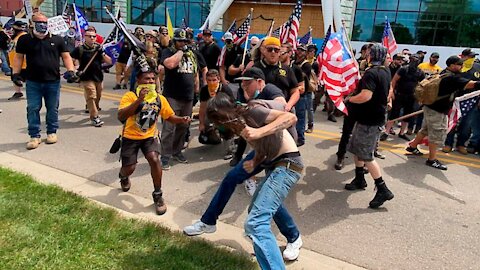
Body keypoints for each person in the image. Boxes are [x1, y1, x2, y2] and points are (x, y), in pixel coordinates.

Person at [183, 68, 303, 262]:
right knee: (235, 180)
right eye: (217, 122)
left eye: (221, 119)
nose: (221, 125)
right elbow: (262, 146)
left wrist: (260, 132)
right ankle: (208, 222)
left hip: (286, 161)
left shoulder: (253, 109)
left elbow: (290, 117)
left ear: (228, 110)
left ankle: (292, 238)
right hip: (267, 157)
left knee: (258, 218)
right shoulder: (237, 124)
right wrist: (255, 160)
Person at [117, 69, 191, 215]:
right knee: (130, 168)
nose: (150, 82)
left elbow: (169, 116)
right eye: (146, 79)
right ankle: (123, 175)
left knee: (154, 159)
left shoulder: (159, 99)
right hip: (130, 137)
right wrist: (139, 100)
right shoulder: (130, 96)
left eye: (152, 79)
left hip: (149, 137)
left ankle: (158, 194)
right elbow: (121, 116)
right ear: (138, 81)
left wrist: (182, 119)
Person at [11, 12, 76, 150]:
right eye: (39, 22)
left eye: (45, 22)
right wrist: (16, 74)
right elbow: (18, 58)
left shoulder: (57, 39)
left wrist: (71, 70)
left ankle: (52, 132)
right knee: (33, 108)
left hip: (53, 81)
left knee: (52, 108)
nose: (42, 25)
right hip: (33, 81)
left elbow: (66, 56)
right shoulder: (25, 40)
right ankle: (34, 136)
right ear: (32, 24)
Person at [406, 55, 480, 170]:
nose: (461, 66)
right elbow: (472, 84)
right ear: (452, 65)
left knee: (425, 130)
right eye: (459, 64)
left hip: (431, 107)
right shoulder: (452, 78)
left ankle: (412, 146)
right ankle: (432, 160)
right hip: (437, 110)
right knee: (436, 135)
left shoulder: (443, 73)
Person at [343, 43, 394, 208]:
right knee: (357, 149)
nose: (366, 55)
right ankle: (359, 178)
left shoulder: (371, 73)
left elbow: (365, 96)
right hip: (369, 118)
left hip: (370, 121)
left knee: (366, 155)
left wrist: (349, 99)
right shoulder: (385, 71)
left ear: (370, 55)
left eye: (368, 53)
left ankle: (382, 189)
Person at [159, 29, 199, 170]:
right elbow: (170, 64)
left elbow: (195, 72)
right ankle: (165, 156)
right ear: (174, 41)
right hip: (172, 96)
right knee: (169, 128)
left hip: (187, 96)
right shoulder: (168, 52)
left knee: (183, 125)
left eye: (185, 41)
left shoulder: (192, 54)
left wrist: (197, 89)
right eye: (180, 41)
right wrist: (181, 51)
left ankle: (177, 151)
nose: (183, 43)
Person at [70, 28, 112, 127]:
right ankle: (95, 117)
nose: (92, 38)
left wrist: (102, 53)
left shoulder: (99, 48)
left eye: (94, 36)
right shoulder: (80, 49)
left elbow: (109, 62)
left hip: (98, 76)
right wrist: (75, 70)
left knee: (98, 96)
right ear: (85, 37)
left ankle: (92, 107)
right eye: (90, 36)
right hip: (86, 77)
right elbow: (70, 60)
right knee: (91, 95)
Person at [443, 49, 480, 154]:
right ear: (463, 56)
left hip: (471, 101)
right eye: (469, 56)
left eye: (473, 56)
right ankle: (448, 144)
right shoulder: (456, 67)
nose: (471, 58)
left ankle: (461, 144)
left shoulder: (477, 67)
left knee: (466, 124)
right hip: (454, 99)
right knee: (452, 122)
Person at [382, 54, 425, 141]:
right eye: (413, 60)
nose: (414, 62)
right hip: (399, 95)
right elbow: (394, 80)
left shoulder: (420, 72)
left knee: (407, 115)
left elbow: (423, 84)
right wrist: (392, 92)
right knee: (394, 114)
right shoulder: (403, 69)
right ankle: (386, 132)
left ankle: (402, 133)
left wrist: (420, 97)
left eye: (417, 60)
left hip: (411, 96)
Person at [198, 69, 235, 159]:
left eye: (214, 80)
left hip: (225, 114)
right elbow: (202, 108)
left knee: (226, 130)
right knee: (205, 129)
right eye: (209, 80)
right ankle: (215, 138)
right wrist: (201, 123)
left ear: (218, 79)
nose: (211, 82)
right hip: (211, 114)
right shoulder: (204, 90)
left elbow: (232, 107)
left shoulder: (225, 89)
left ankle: (230, 149)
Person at [8, 21, 28, 100]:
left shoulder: (24, 37)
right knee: (15, 78)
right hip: (14, 63)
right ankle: (18, 92)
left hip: (23, 63)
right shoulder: (16, 37)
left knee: (27, 79)